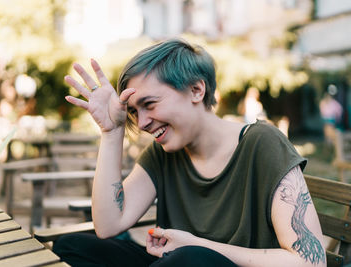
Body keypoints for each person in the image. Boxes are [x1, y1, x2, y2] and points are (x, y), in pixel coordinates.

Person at [53, 39, 326, 267]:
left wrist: (198, 245)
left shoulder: (262, 143)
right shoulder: (162, 154)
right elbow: (108, 225)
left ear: (196, 90)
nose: (143, 122)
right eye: (134, 112)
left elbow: (311, 262)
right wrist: (112, 133)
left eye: (149, 104)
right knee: (73, 246)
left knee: (188, 259)